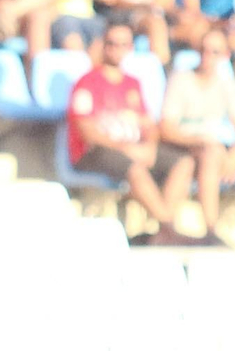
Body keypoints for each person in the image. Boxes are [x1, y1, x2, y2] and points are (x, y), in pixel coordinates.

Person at [66, 20, 196, 240]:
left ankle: (164, 227)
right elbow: (87, 132)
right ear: (104, 45)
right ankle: (168, 227)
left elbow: (147, 124)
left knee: (183, 162)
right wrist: (127, 149)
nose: (116, 49)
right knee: (134, 168)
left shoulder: (133, 84)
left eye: (122, 44)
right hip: (96, 152)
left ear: (130, 48)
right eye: (111, 43)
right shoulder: (86, 83)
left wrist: (150, 147)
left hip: (133, 149)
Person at [159, 29, 235, 236]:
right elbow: (166, 128)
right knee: (212, 154)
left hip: (215, 145)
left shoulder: (226, 83)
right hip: (186, 146)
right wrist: (199, 141)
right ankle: (211, 229)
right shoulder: (181, 80)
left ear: (224, 55)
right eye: (204, 50)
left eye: (214, 52)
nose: (207, 56)